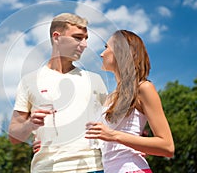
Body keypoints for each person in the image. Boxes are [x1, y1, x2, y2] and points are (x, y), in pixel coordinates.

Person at [9, 13, 108, 172]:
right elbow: (14, 136)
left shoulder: (95, 80)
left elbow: (113, 125)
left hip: (93, 167)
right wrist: (29, 125)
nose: (84, 45)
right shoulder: (29, 81)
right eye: (78, 38)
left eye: (86, 38)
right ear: (57, 37)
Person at [85, 30, 175, 173]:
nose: (102, 54)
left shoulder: (143, 88)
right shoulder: (110, 98)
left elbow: (167, 146)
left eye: (106, 48)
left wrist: (114, 136)